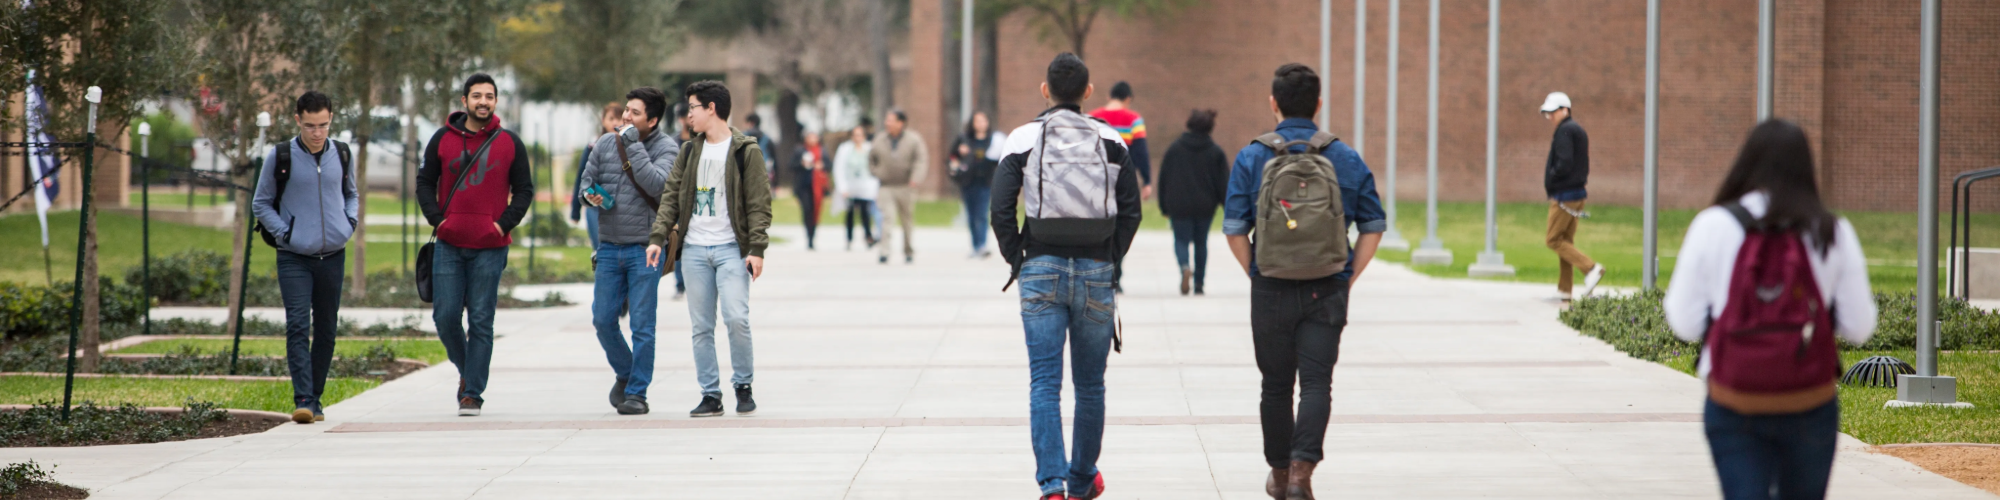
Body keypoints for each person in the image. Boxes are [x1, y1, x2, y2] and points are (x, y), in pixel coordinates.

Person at [1663, 120, 1875, 500]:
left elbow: (1684, 321)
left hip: (1734, 401)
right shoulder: (1831, 230)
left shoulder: (1713, 225)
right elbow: (1860, 327)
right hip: (1809, 401)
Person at [1223, 63, 1386, 500]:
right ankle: (1301, 474)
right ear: (1318, 104)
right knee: (1316, 383)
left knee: (1275, 385)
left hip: (1270, 286)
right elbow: (1373, 225)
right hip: (1326, 285)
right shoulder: (1345, 157)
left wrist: (1257, 271)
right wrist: (1347, 275)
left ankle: (1279, 473)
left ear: (1272, 103)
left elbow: (1234, 229)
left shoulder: (1252, 157)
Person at [991, 52, 1141, 500]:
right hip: (1096, 268)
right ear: (1088, 92)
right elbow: (1131, 210)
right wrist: (1109, 258)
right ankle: (1081, 481)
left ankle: (1052, 486)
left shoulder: (1023, 138)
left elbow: (1000, 208)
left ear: (1045, 90)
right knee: (1090, 385)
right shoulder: (1111, 139)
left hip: (1041, 265)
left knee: (1044, 382)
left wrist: (1019, 259)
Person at [646, 80, 774, 418]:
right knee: (701, 327)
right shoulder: (689, 151)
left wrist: (757, 248)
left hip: (732, 249)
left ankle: (743, 385)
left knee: (736, 318)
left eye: (693, 108)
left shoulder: (746, 151)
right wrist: (658, 237)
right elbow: (671, 197)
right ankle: (710, 394)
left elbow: (760, 204)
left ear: (711, 108)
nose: (688, 115)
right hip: (694, 251)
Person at [416, 73, 534, 417]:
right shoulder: (442, 139)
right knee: (445, 317)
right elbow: (425, 182)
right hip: (449, 244)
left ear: (495, 101)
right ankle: (469, 371)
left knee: (481, 320)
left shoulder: (510, 142)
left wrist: (501, 224)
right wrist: (438, 220)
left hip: (491, 247)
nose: (484, 101)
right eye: (477, 95)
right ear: (464, 101)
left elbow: (524, 190)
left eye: (489, 96)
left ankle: (472, 393)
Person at [251, 90, 358, 425]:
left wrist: (349, 223)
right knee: (298, 324)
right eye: (310, 125)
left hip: (333, 255)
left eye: (323, 125)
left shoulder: (342, 153)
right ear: (298, 120)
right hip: (293, 257)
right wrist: (285, 234)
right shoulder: (280, 155)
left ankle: (315, 399)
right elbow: (260, 203)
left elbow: (351, 193)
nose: (317, 132)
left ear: (331, 119)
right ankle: (303, 399)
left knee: (326, 328)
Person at [580, 87, 680, 415]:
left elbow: (657, 185)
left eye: (635, 113)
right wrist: (589, 195)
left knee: (642, 325)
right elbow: (586, 181)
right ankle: (626, 373)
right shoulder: (606, 143)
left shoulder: (667, 148)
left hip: (645, 249)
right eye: (626, 110)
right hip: (609, 246)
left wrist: (633, 145)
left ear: (652, 120)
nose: (626, 116)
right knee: (602, 319)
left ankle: (638, 393)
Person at [1156, 109, 1227, 296]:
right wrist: (1227, 205)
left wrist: (1163, 205)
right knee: (1201, 242)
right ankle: (1199, 284)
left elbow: (1164, 178)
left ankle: (1184, 266)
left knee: (1181, 240)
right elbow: (1223, 182)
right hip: (1205, 205)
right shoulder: (1215, 151)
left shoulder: (1174, 149)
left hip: (1179, 204)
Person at [1540, 92, 1604, 301]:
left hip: (1564, 196)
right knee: (1565, 240)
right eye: (1548, 113)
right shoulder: (1576, 130)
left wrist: (1552, 176)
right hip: (1577, 194)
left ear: (1565, 110)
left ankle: (1591, 268)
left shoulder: (1565, 131)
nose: (1550, 116)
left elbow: (1564, 163)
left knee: (1553, 239)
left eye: (1553, 112)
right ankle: (1564, 289)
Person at [1091, 82, 1150, 293]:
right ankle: (1115, 274)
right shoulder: (1133, 119)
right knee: (1120, 225)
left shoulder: (1092, 117)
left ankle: (1098, 271)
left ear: (1109, 96)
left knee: (1099, 226)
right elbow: (1141, 152)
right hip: (1124, 182)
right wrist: (1147, 181)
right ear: (1128, 99)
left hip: (1096, 181)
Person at [869, 110, 928, 264]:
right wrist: (877, 172)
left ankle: (908, 250)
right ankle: (884, 251)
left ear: (900, 123)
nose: (887, 123)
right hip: (886, 186)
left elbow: (921, 160)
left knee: (906, 220)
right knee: (887, 218)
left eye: (891, 120)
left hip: (906, 186)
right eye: (887, 120)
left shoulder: (914, 140)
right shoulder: (879, 139)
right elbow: (871, 159)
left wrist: (915, 178)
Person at [948, 111, 1005, 259]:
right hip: (968, 181)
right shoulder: (964, 138)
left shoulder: (993, 140)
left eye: (983, 121)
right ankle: (975, 245)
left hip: (985, 181)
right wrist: (960, 154)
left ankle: (982, 245)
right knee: (971, 215)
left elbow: (999, 158)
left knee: (982, 214)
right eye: (977, 121)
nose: (980, 124)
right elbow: (952, 156)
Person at [571, 102, 623, 251]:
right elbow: (581, 178)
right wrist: (575, 210)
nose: (615, 123)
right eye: (611, 118)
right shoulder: (592, 147)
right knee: (601, 250)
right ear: (603, 121)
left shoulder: (631, 147)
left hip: (620, 208)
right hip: (596, 205)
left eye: (618, 118)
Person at [833, 124, 879, 250]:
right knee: (850, 213)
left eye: (859, 135)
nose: (857, 138)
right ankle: (849, 238)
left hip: (865, 186)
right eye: (855, 135)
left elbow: (874, 168)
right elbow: (839, 168)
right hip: (850, 186)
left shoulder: (869, 148)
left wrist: (874, 186)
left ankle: (868, 237)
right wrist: (842, 187)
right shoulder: (845, 149)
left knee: (866, 213)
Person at [791, 130, 827, 250]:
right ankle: (808, 234)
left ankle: (812, 236)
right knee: (807, 210)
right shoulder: (800, 150)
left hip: (817, 186)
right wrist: (802, 164)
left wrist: (821, 165)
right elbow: (791, 165)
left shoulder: (821, 151)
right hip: (804, 186)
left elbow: (829, 165)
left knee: (815, 211)